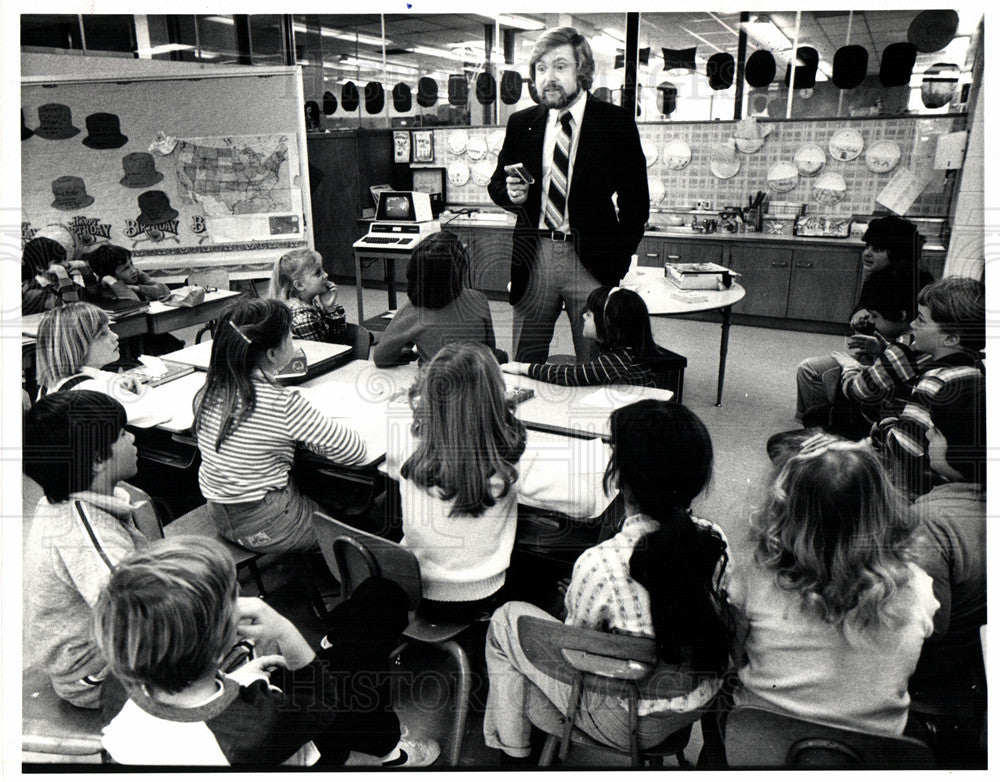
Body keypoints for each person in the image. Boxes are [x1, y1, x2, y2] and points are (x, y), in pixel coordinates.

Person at [483, 401, 733, 757]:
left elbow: (577, 652)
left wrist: (581, 598)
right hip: (691, 703)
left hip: (626, 719)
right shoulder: (715, 540)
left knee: (505, 620)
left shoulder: (598, 563)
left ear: (619, 476)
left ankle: (512, 753)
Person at [96, 536, 440, 767]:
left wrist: (232, 681)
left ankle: (339, 646)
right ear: (219, 644)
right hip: (309, 750)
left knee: (370, 611)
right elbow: (323, 702)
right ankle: (392, 754)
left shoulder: (116, 686)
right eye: (234, 595)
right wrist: (284, 630)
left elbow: (185, 712)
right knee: (369, 638)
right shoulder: (259, 721)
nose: (245, 599)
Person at [386, 342, 611, 623]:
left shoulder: (406, 444)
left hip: (412, 586)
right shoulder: (509, 458)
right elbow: (586, 504)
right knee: (553, 568)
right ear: (495, 397)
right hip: (478, 595)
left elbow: (398, 470)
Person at [731, 436, 938, 736]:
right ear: (882, 508)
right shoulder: (916, 586)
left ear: (785, 509)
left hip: (762, 748)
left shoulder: (756, 576)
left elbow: (736, 656)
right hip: (872, 757)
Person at [488, 26, 649, 364]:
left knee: (595, 361)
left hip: (591, 260)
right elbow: (497, 185)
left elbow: (636, 204)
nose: (549, 77)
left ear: (582, 70)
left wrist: (616, 264)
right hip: (535, 257)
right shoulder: (522, 123)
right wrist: (511, 196)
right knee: (524, 362)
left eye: (560, 66)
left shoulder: (615, 122)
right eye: (541, 68)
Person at [192, 298, 367, 555]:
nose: (293, 341)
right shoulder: (282, 404)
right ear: (273, 354)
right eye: (290, 336)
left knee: (312, 486)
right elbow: (354, 451)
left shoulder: (207, 392)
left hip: (220, 514)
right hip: (268, 522)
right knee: (358, 536)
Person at [22, 390, 157, 708]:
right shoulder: (86, 532)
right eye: (123, 434)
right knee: (246, 644)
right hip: (93, 676)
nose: (133, 438)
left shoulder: (67, 499)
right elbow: (137, 616)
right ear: (97, 460)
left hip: (100, 649)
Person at [906, 379, 986, 767]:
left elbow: (927, 626)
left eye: (936, 431)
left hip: (935, 691)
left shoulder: (931, 521)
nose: (930, 436)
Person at [846, 276, 985, 494]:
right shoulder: (974, 369)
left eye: (921, 320)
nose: (912, 324)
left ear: (950, 339)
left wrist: (886, 422)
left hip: (901, 486)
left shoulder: (935, 382)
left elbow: (901, 450)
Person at [795, 216, 931, 425]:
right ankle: (817, 419)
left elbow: (900, 341)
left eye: (877, 249)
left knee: (816, 372)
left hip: (886, 365)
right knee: (815, 372)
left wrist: (866, 357)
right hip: (880, 353)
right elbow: (867, 310)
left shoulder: (913, 286)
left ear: (898, 254)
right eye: (867, 246)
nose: (867, 253)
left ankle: (825, 425)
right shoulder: (878, 277)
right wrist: (859, 314)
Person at [372, 231, 497, 367]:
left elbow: (380, 358)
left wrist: (409, 354)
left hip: (435, 383)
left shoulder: (412, 312)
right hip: (477, 379)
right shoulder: (479, 300)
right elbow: (490, 348)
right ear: (459, 271)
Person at [33, 301, 168, 427]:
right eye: (102, 334)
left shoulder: (53, 382)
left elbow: (100, 376)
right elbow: (162, 411)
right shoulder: (93, 390)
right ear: (78, 347)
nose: (115, 336)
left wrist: (116, 381)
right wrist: (140, 390)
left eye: (109, 329)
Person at [499, 286, 659, 387]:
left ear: (607, 323)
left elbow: (571, 375)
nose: (584, 317)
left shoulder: (618, 361)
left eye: (589, 315)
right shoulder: (628, 353)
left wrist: (522, 367)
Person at [268, 248, 350, 344]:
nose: (326, 275)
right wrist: (331, 312)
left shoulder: (308, 302)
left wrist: (329, 308)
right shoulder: (304, 318)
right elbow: (333, 350)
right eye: (318, 273)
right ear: (299, 285)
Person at [84, 243, 170, 301]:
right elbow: (134, 303)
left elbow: (165, 291)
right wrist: (113, 282)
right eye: (126, 269)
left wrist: (136, 288)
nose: (133, 270)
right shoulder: (107, 288)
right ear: (109, 276)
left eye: (131, 264)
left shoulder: (137, 274)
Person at [22, 236, 68, 314]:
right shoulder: (35, 292)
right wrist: (64, 278)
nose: (66, 265)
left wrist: (85, 271)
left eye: (64, 260)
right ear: (39, 267)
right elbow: (71, 313)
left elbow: (91, 297)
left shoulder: (53, 283)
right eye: (57, 262)